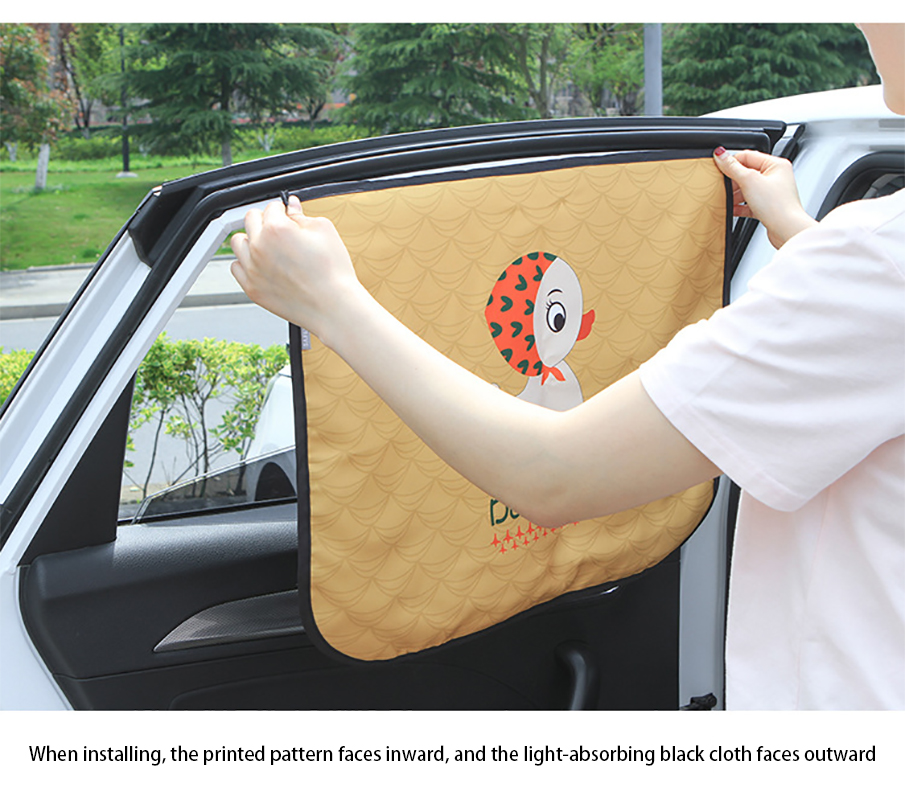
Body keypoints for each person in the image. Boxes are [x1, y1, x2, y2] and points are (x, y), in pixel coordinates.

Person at [229, 23, 904, 710]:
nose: (859, 18)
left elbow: (552, 475)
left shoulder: (878, 258)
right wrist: (802, 237)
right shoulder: (873, 261)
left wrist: (331, 302)